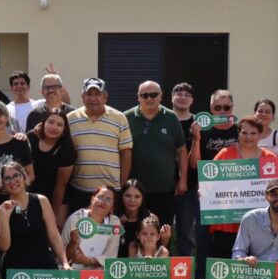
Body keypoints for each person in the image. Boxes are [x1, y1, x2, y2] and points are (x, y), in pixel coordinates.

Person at [207, 116, 278, 260]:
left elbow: (276, 190)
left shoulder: (269, 158)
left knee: (252, 266)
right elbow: (209, 184)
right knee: (223, 263)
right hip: (226, 222)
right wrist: (204, 192)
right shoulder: (225, 154)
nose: (248, 137)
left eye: (253, 133)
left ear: (260, 135)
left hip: (258, 225)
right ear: (238, 133)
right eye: (244, 133)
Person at [188, 89, 238, 279]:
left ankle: (230, 277)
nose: (222, 111)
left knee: (233, 237)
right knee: (203, 236)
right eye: (218, 107)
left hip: (236, 194)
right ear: (211, 109)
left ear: (232, 108)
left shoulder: (241, 130)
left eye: (226, 107)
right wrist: (197, 138)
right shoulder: (204, 130)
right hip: (206, 194)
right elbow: (194, 164)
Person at [124, 80, 186, 227]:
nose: (149, 98)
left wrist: (183, 180)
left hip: (164, 189)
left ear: (161, 96)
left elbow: (181, 150)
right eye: (144, 95)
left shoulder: (171, 117)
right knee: (134, 232)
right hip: (134, 192)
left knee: (163, 232)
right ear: (138, 97)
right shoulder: (126, 118)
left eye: (153, 94)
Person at [66, 78, 132, 215]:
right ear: (82, 97)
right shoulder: (70, 119)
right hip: (79, 189)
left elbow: (126, 153)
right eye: (89, 94)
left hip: (110, 191)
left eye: (97, 94)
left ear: (105, 97)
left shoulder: (119, 118)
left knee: (108, 233)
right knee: (80, 233)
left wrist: (122, 185)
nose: (93, 98)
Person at [0, 162, 70, 279]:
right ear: (3, 184)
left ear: (24, 177)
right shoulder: (1, 209)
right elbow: (4, 246)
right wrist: (5, 218)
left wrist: (64, 262)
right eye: (7, 178)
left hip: (44, 266)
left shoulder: (41, 200)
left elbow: (54, 236)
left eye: (16, 176)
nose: (12, 181)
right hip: (16, 274)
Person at [27, 108, 75, 223]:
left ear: (64, 130)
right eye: (51, 122)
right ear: (43, 123)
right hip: (30, 194)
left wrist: (53, 214)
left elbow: (61, 185)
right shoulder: (31, 138)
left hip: (56, 196)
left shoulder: (66, 150)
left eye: (59, 125)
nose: (54, 127)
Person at [61, 186, 122, 269]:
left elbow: (111, 256)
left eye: (108, 200)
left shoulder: (115, 222)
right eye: (100, 197)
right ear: (92, 200)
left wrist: (89, 261)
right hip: (72, 272)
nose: (102, 202)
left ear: (113, 207)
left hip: (99, 275)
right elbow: (62, 254)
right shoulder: (76, 218)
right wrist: (73, 242)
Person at [170, 82, 197, 257]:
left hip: (191, 184)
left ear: (192, 100)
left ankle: (185, 277)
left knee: (186, 232)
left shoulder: (198, 122)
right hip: (163, 182)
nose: (183, 97)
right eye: (179, 93)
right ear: (171, 97)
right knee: (158, 228)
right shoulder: (163, 118)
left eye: (187, 94)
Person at [24, 68, 74, 133]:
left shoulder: (72, 114)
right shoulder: (34, 115)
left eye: (55, 86)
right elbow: (29, 141)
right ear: (42, 92)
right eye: (47, 87)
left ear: (62, 90)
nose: (51, 90)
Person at [116, 178, 147, 258]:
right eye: (128, 195)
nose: (132, 200)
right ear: (121, 197)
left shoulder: (149, 219)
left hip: (138, 266)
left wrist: (165, 238)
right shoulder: (112, 218)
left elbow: (158, 247)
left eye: (137, 196)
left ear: (142, 198)